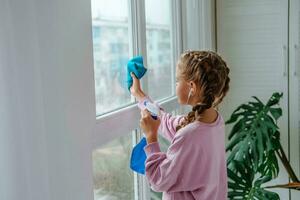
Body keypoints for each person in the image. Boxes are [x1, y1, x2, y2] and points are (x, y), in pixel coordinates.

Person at [130, 50, 230, 200]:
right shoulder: (215, 120)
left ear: (191, 87)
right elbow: (167, 122)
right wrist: (139, 95)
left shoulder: (190, 134)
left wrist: (151, 136)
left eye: (177, 81)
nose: (175, 85)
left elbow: (158, 180)